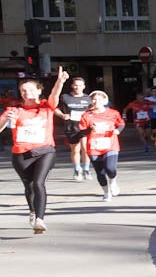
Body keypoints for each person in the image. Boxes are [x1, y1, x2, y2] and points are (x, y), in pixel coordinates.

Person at [1, 66, 69, 234]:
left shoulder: (46, 107)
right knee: (29, 185)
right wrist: (5, 120)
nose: (27, 93)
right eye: (23, 91)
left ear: (39, 91)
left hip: (45, 150)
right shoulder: (14, 110)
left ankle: (40, 219)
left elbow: (54, 96)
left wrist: (60, 82)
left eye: (31, 90)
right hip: (21, 153)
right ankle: (32, 211)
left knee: (39, 183)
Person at [78, 92, 125, 202]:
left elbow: (121, 124)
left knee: (110, 168)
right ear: (91, 101)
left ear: (104, 101)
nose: (96, 102)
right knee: (100, 172)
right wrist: (90, 129)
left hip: (110, 145)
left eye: (99, 99)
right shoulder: (86, 115)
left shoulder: (113, 113)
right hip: (94, 147)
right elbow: (82, 132)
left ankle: (113, 181)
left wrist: (117, 131)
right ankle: (106, 192)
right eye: (94, 99)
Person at [57, 76, 93, 180]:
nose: (78, 87)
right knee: (75, 149)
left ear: (84, 86)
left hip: (85, 127)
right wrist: (62, 115)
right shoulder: (65, 97)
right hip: (71, 126)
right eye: (76, 85)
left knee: (85, 148)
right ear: (72, 86)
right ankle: (77, 169)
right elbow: (55, 108)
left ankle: (86, 169)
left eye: (80, 85)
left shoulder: (88, 98)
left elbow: (93, 111)